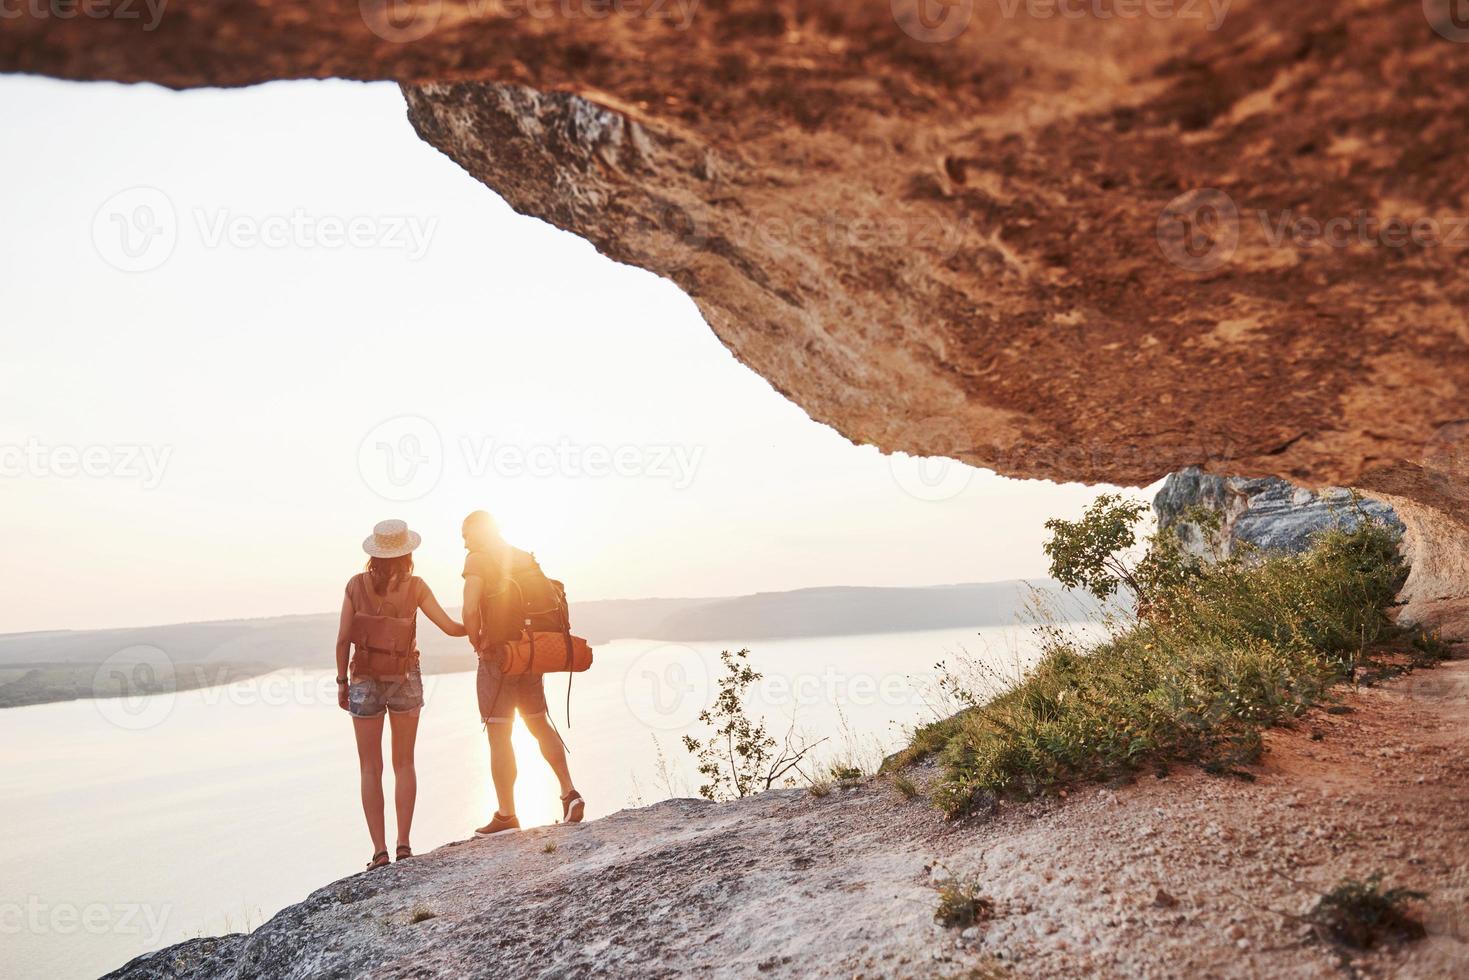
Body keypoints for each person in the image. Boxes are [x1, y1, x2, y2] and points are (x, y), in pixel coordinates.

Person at [336, 519, 465, 870]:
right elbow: (451, 627)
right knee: (404, 763)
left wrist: (341, 682)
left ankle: (379, 853)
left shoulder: (355, 585)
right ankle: (403, 845)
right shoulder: (416, 586)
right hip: (405, 677)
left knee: (369, 767)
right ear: (408, 552)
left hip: (363, 679)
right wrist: (478, 624)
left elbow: (343, 639)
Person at [461, 510, 584, 835]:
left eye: (466, 534)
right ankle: (569, 792)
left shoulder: (478, 559)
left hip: (498, 656)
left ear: (480, 531)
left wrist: (477, 640)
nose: (464, 542)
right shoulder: (523, 556)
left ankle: (506, 814)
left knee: (499, 735)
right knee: (539, 723)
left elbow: (470, 607)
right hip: (529, 653)